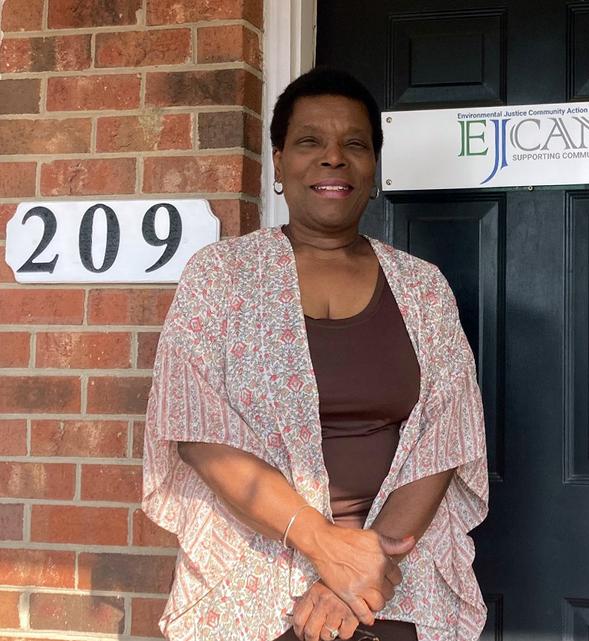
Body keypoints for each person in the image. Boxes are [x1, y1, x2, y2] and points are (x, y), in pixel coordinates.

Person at [142, 67, 489, 641]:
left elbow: (446, 437)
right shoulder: (221, 276)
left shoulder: (423, 287)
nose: (333, 158)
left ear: (374, 166)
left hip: (395, 584)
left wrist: (360, 572)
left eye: (355, 143)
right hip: (251, 579)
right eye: (309, 141)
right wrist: (324, 545)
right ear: (278, 162)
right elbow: (195, 428)